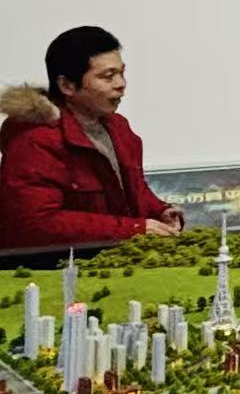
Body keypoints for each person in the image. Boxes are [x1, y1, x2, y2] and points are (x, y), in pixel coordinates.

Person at [0, 27, 183, 248]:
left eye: (122, 73)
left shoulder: (118, 127)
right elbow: (36, 224)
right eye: (108, 76)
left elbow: (133, 190)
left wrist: (160, 211)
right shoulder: (35, 140)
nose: (121, 84)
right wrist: (133, 229)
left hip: (114, 256)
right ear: (67, 85)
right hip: (60, 264)